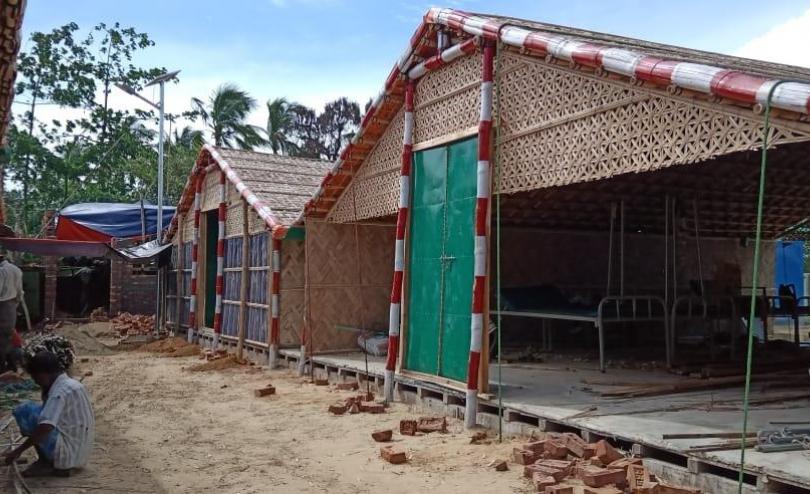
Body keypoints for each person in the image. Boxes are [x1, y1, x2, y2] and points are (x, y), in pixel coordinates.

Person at [3, 351, 95, 477]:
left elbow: (46, 427)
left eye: (36, 378)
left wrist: (18, 451)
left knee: (24, 410)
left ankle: (46, 462)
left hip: (65, 455)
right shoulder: (72, 384)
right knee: (40, 412)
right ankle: (50, 460)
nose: (36, 382)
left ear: (43, 374)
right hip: (79, 454)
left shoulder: (58, 392)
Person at [0, 252, 23, 370]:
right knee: (8, 336)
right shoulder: (16, 269)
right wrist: (15, 305)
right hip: (11, 307)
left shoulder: (1, 271)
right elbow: (20, 292)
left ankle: (2, 368)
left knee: (2, 339)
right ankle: (12, 366)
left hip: (2, 306)